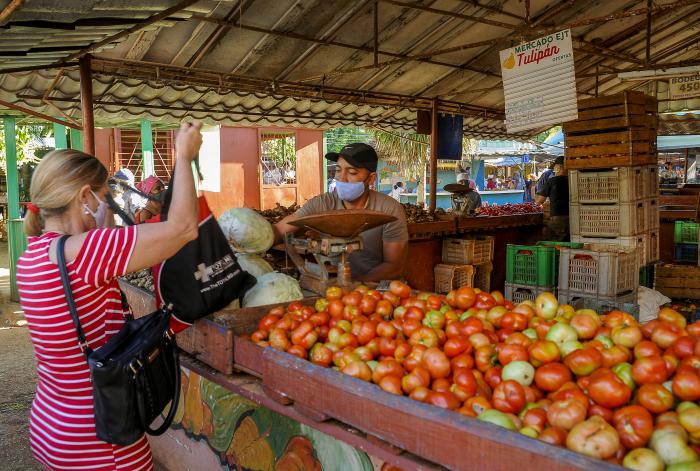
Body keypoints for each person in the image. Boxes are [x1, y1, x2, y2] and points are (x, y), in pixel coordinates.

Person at [16, 122, 202, 471]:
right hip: (100, 438)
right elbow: (184, 229)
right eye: (104, 196)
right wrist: (185, 156)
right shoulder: (85, 253)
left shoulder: (32, 257)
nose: (107, 205)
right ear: (85, 197)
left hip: (51, 425)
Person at [273, 143, 408, 282]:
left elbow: (394, 266)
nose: (341, 178)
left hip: (376, 288)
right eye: (338, 170)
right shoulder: (322, 203)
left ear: (371, 178)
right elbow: (279, 230)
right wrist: (257, 237)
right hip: (334, 287)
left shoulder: (389, 209)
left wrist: (355, 287)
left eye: (352, 172)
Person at [535, 156, 569, 241]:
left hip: (557, 217)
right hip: (572, 217)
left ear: (559, 167)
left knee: (553, 242)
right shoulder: (572, 180)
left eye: (555, 167)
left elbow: (539, 201)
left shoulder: (552, 181)